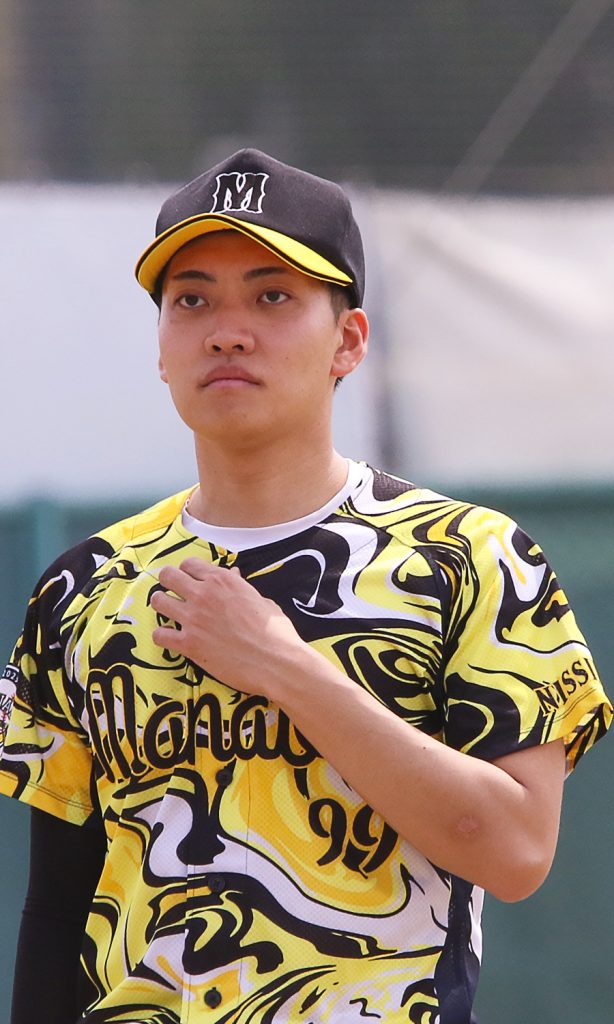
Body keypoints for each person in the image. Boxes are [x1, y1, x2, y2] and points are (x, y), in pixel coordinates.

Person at [0, 148, 610, 1024]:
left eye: (273, 297)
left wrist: (284, 667)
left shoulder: (470, 558)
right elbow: (57, 911)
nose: (227, 331)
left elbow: (516, 852)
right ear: (162, 348)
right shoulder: (84, 586)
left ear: (348, 341)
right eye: (192, 300)